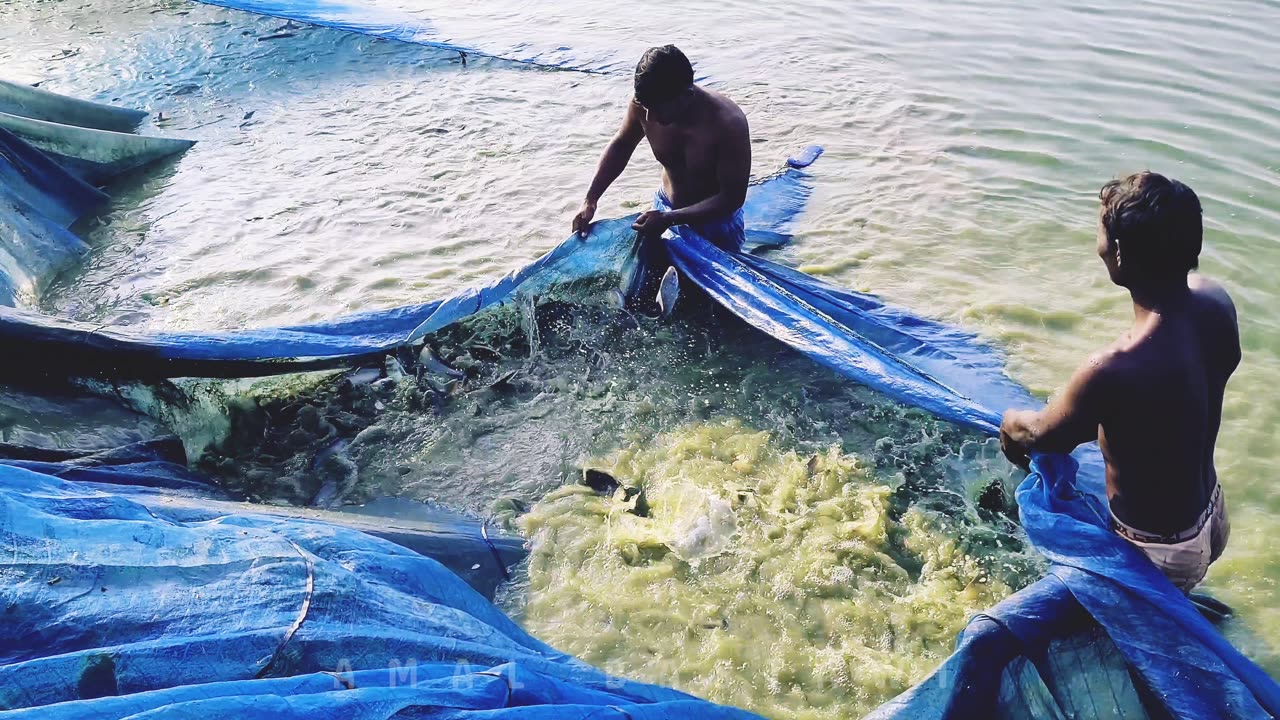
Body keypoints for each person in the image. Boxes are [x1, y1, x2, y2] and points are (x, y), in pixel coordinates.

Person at [999, 172, 1240, 593]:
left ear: (1120, 253)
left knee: (1129, 642)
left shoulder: (1111, 369)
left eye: (1101, 231)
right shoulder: (1216, 303)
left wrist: (1010, 420)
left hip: (1156, 551)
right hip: (1212, 515)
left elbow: (1043, 436)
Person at [571, 45, 751, 252]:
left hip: (715, 224)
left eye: (656, 109)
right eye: (645, 108)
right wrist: (590, 199)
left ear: (685, 95)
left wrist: (670, 219)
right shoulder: (643, 104)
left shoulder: (728, 123)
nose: (648, 118)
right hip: (663, 209)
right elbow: (622, 145)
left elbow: (732, 198)